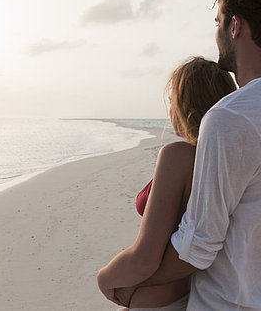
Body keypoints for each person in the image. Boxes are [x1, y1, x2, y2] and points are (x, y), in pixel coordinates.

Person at [113, 0, 261, 310]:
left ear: (235, 25)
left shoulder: (229, 116)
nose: (217, 32)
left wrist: (127, 284)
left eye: (218, 22)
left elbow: (197, 249)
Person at [97, 56, 237, 309]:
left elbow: (144, 259)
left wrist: (104, 278)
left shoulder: (179, 155)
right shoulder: (227, 161)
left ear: (186, 107)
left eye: (173, 101)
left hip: (158, 300)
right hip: (197, 294)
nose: (170, 110)